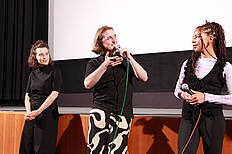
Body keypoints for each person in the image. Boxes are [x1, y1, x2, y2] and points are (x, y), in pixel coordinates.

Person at [84, 26, 148, 154]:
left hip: (122, 113)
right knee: (96, 150)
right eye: (109, 38)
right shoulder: (96, 63)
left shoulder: (125, 61)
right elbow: (87, 84)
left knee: (119, 151)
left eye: (115, 36)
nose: (114, 40)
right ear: (100, 42)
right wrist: (105, 66)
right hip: (101, 112)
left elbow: (144, 77)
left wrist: (129, 57)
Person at [174, 21, 232, 154]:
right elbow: (177, 89)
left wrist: (205, 97)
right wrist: (183, 95)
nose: (193, 40)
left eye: (197, 36)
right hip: (189, 118)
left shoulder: (226, 67)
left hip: (213, 120)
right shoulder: (188, 63)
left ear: (210, 38)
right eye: (193, 37)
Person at [19, 40, 62, 154]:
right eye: (41, 54)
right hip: (32, 114)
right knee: (27, 146)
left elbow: (54, 94)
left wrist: (38, 111)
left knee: (42, 148)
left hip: (46, 112)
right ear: (35, 57)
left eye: (46, 54)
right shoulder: (33, 73)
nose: (44, 57)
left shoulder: (55, 70)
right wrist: (29, 112)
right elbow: (28, 95)